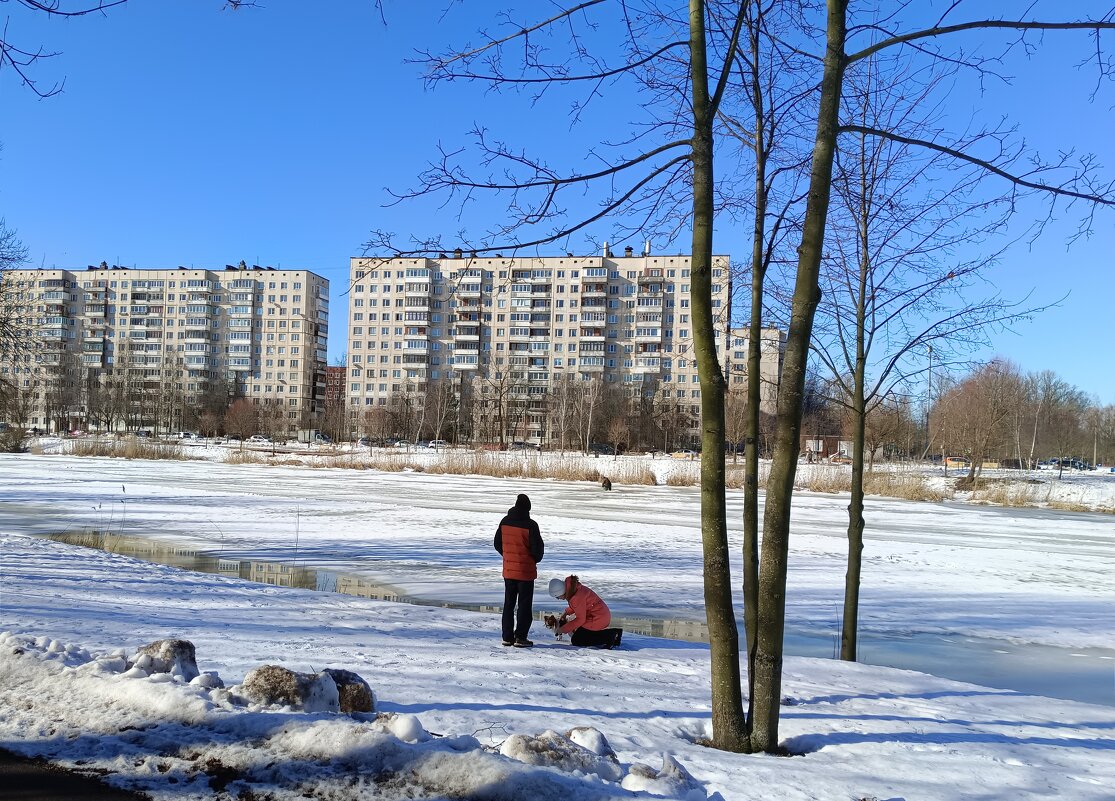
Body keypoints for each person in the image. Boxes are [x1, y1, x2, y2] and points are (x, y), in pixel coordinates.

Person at [494, 493, 544, 648]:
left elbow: (497, 543)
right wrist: (532, 559)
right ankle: (521, 637)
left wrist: (508, 556)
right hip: (526, 572)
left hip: (509, 571)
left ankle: (507, 637)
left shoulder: (505, 521)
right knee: (524, 605)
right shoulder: (531, 525)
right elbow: (538, 550)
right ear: (528, 508)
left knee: (509, 603)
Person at [547, 575, 623, 649]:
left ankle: (609, 636)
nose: (558, 599)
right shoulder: (573, 589)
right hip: (599, 614)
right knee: (580, 633)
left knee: (578, 640)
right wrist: (566, 613)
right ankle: (615, 633)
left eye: (557, 597)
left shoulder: (576, 597)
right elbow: (579, 606)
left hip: (598, 618)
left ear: (561, 592)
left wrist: (562, 629)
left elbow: (580, 619)